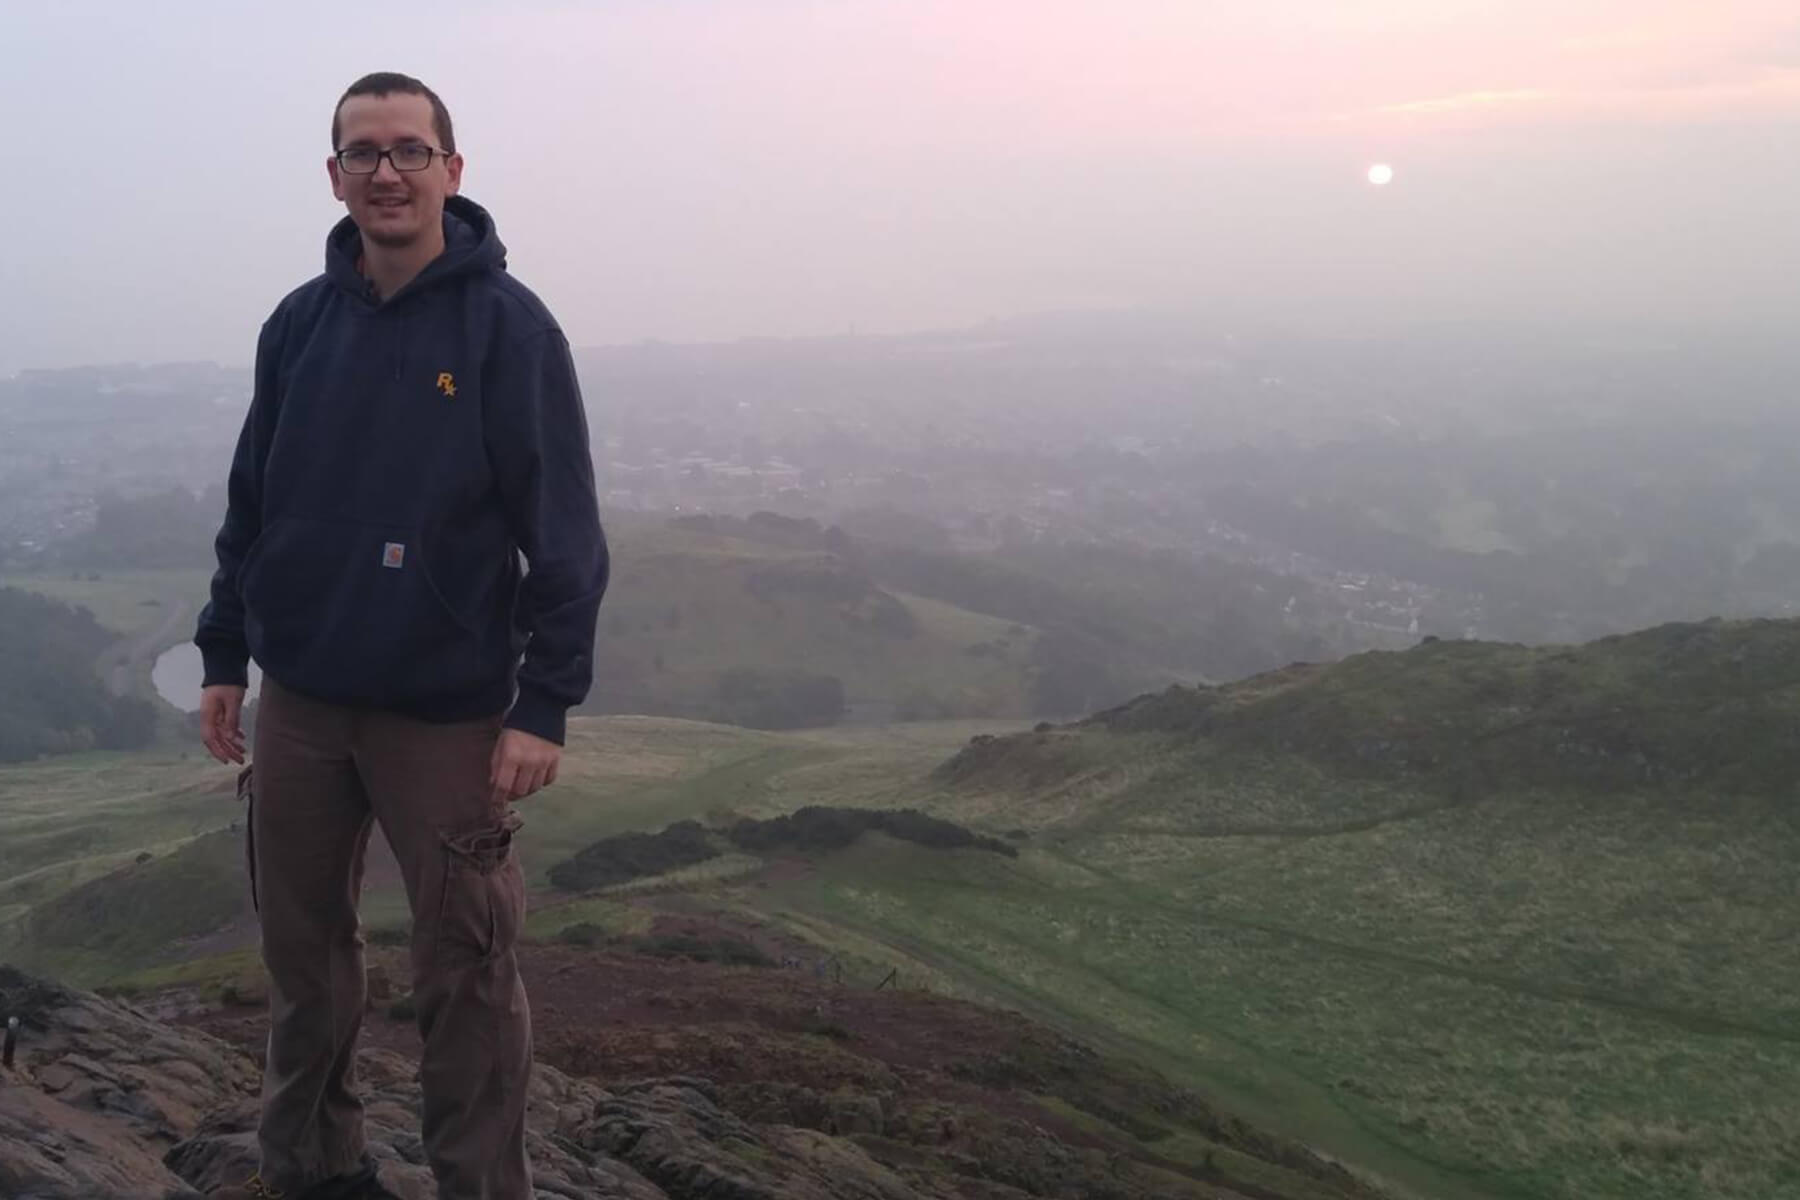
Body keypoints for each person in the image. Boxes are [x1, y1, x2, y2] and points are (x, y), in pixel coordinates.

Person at [192, 71, 608, 1200]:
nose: (386, 170)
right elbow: (253, 501)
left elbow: (563, 531)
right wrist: (226, 653)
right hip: (305, 704)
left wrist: (544, 702)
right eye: (363, 152)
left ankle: (479, 1187)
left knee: (465, 973)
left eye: (409, 150)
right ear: (333, 177)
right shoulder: (299, 325)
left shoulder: (509, 330)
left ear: (451, 172)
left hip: (447, 714)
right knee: (302, 960)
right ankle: (312, 1171)